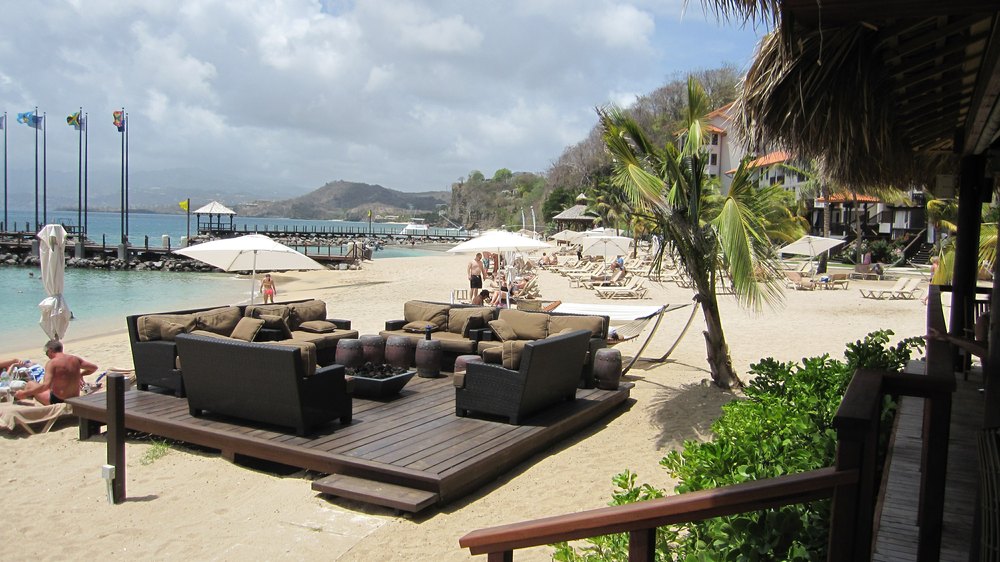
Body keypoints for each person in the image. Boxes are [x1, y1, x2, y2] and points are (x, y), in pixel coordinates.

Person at [14, 340, 97, 405]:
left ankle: (21, 399)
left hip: (59, 400)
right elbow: (93, 368)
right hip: (75, 398)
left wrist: (24, 393)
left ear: (50, 350)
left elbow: (45, 386)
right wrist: (81, 374)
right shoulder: (75, 359)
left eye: (46, 352)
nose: (46, 354)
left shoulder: (52, 363)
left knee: (30, 384)